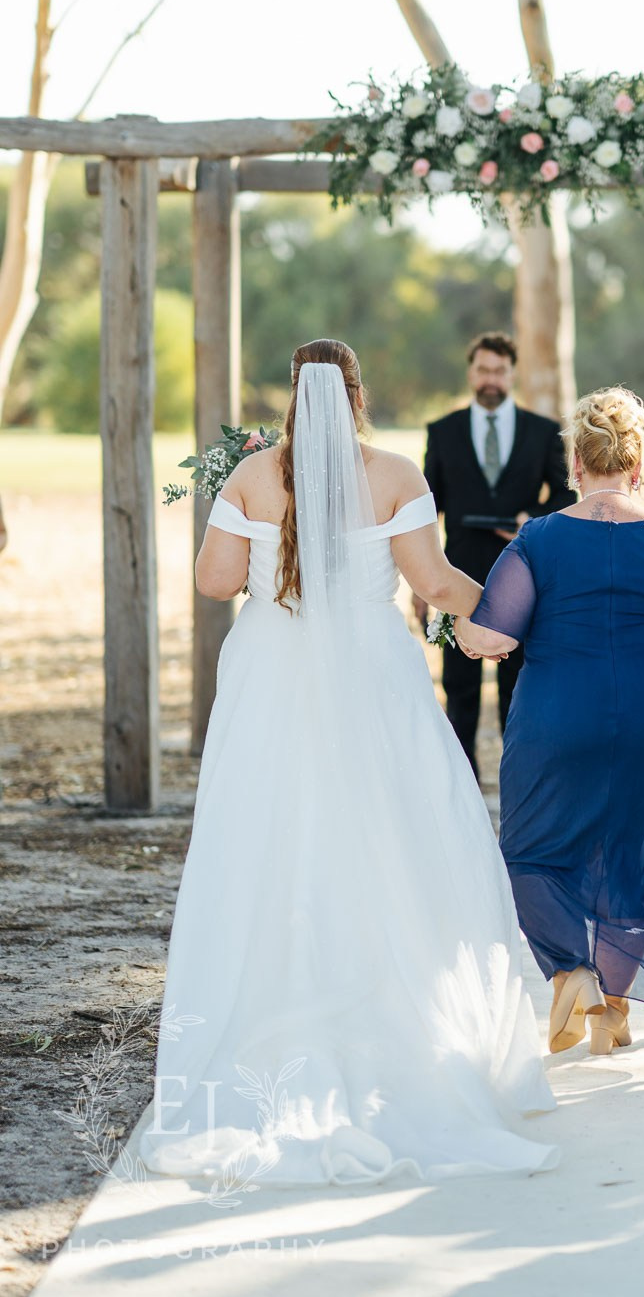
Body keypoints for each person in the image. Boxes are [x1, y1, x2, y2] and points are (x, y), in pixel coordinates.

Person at [135, 339, 558, 1187]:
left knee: (270, 829)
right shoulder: (396, 472)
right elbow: (435, 583)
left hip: (271, 671)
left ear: (293, 396)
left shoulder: (255, 475)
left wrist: (248, 524)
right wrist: (511, 610)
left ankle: (269, 1007)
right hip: (375, 667)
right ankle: (403, 1018)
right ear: (356, 394)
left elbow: (215, 581)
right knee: (395, 826)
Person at [455, 388, 644, 1055]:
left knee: (531, 852)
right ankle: (611, 1007)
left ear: (576, 463)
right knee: (639, 858)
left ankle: (569, 974)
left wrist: (453, 620)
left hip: (558, 716)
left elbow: (490, 639)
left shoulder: (540, 539)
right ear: (637, 465)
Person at [418, 332, 574, 780]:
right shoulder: (442, 431)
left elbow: (567, 494)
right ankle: (461, 781)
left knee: (519, 684)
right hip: (455, 574)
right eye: (483, 369)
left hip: (525, 573)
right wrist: (422, 582)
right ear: (471, 372)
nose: (491, 379)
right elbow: (428, 508)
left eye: (499, 371)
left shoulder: (542, 431)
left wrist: (534, 517)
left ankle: (521, 777)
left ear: (512, 374)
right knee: (459, 686)